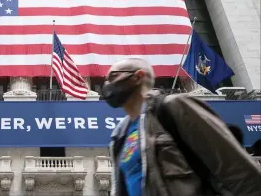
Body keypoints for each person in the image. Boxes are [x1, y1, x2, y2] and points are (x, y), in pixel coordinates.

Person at [102, 58, 261, 196]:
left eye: (114, 76)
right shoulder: (119, 135)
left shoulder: (173, 107)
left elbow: (236, 169)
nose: (107, 84)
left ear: (138, 77)